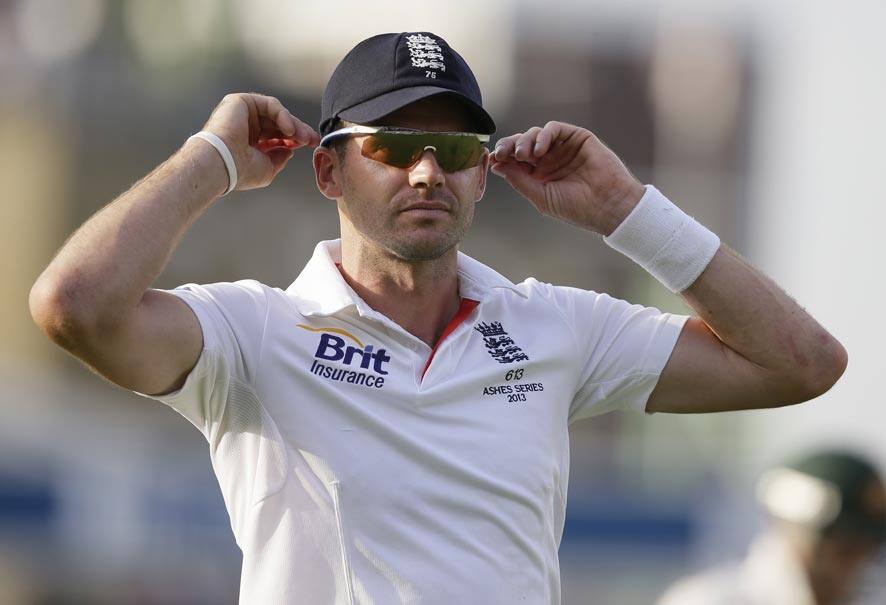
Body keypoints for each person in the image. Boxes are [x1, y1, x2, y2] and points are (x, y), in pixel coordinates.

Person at [29, 31, 847, 604]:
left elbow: (802, 362)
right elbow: (74, 305)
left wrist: (627, 210)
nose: (428, 171)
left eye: (457, 151)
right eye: (392, 145)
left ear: (483, 174)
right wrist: (208, 161)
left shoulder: (553, 327)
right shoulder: (256, 333)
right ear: (328, 170)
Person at [658, 450, 886, 605]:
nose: (860, 559)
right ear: (795, 530)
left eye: (871, 544)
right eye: (846, 545)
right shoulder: (709, 600)